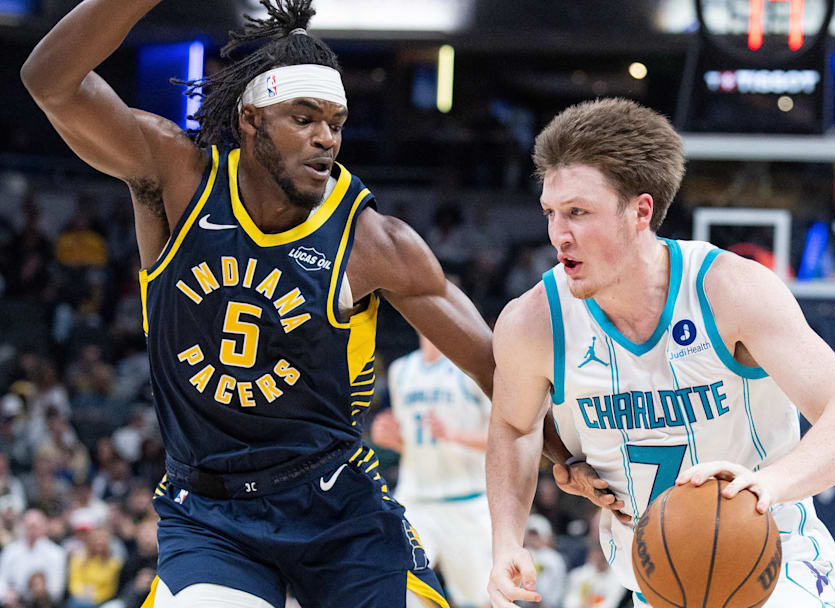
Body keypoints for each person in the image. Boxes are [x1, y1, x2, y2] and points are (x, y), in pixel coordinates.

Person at [21, 1, 494, 606]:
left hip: (336, 507)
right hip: (212, 513)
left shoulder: (372, 240)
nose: (327, 137)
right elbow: (49, 82)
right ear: (250, 120)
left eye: (336, 122)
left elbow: (491, 365)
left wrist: (575, 460)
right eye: (304, 118)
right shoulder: (177, 179)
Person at [485, 98, 835, 608]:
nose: (558, 234)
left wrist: (765, 485)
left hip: (777, 562)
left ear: (640, 211)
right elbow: (514, 426)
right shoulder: (532, 321)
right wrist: (506, 541)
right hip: (658, 580)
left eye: (579, 213)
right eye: (551, 213)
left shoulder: (730, 291)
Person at [370, 332, 492, 608]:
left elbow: (502, 441)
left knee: (480, 599)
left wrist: (453, 435)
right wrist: (390, 438)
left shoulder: (472, 368)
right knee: (400, 591)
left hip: (466, 501)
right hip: (415, 501)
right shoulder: (401, 370)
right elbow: (413, 443)